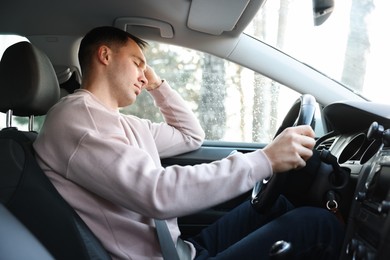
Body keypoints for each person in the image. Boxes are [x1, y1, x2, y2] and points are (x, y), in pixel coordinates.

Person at [33, 26, 344, 259]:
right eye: (138, 63)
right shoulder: (77, 117)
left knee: (279, 203)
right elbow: (157, 193)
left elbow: (190, 135)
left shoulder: (120, 123)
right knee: (315, 224)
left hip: (181, 250)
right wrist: (264, 160)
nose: (144, 74)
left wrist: (156, 85)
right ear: (104, 55)